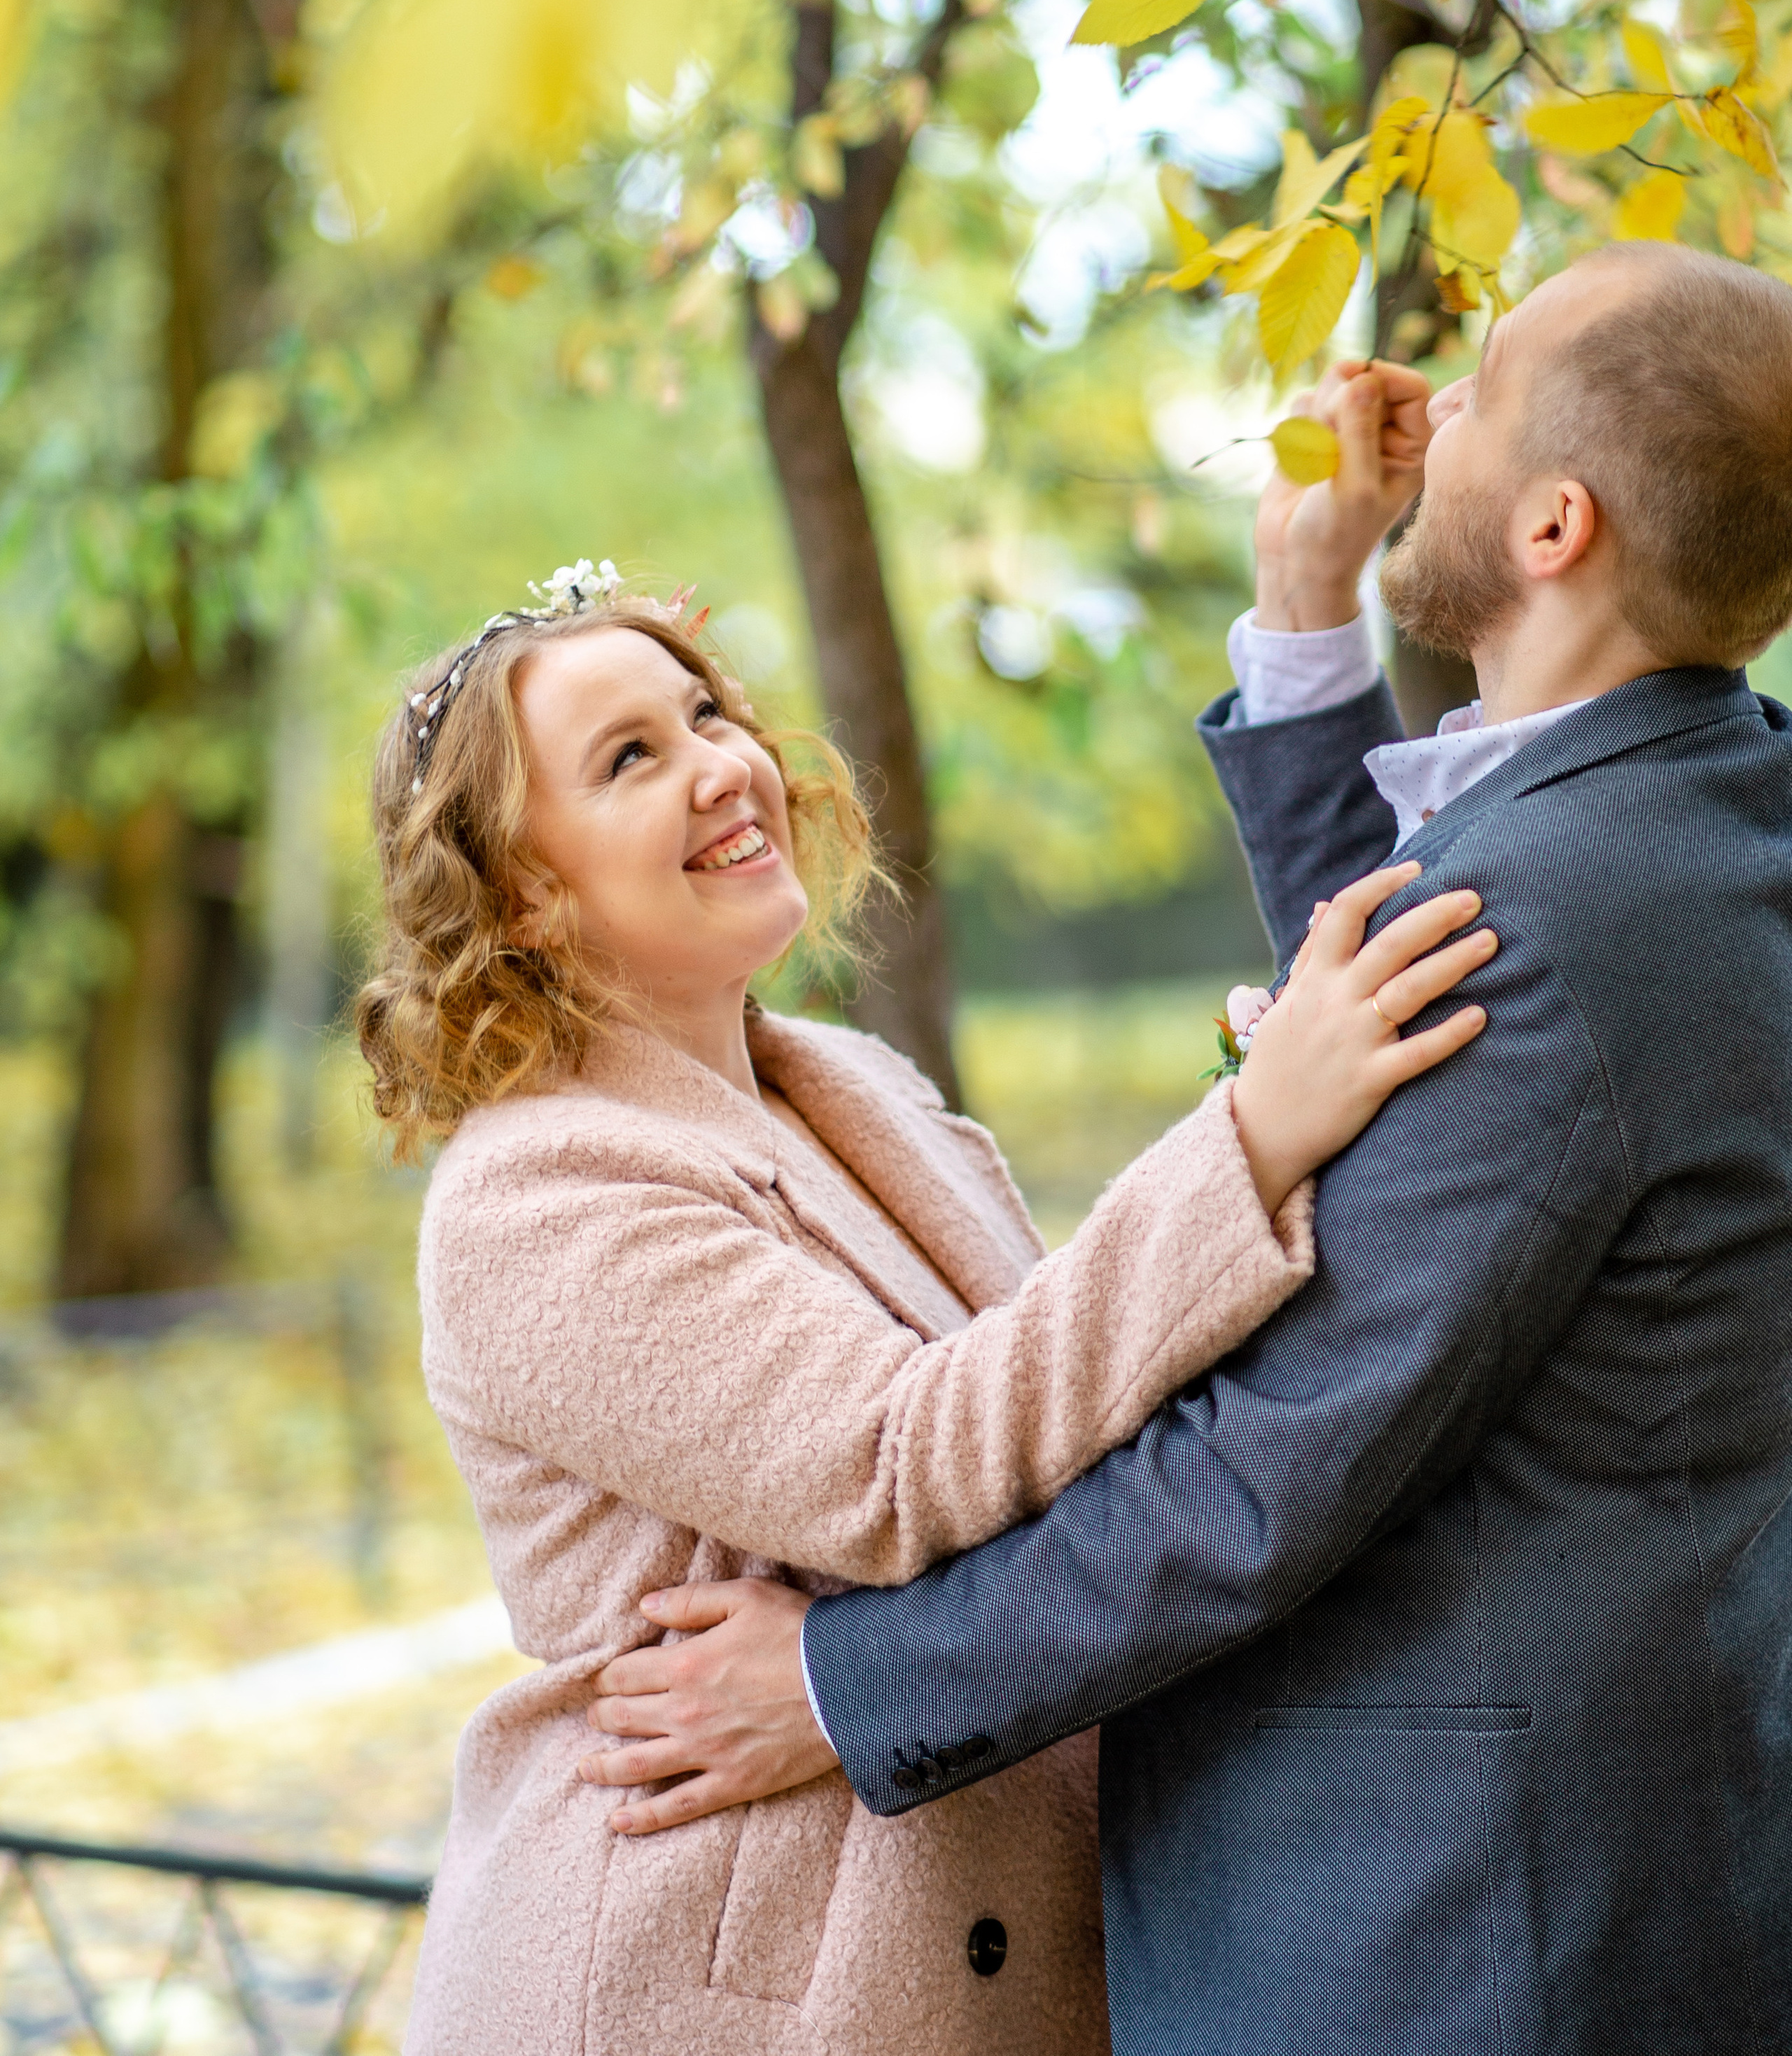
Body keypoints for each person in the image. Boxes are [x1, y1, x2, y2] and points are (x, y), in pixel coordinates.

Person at [584, 242, 1792, 2055]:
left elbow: (1257, 1476)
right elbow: (1419, 1050)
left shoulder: (1542, 931)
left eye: (1479, 397)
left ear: (1556, 527)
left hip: (1451, 1938)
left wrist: (847, 1688)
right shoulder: (1706, 823)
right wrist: (1311, 621)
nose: (1428, 415)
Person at [356, 561, 1490, 2056]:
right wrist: (1250, 1142)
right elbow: (900, 1465)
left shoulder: (849, 1091)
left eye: (705, 714)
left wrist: (1273, 1112)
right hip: (720, 1989)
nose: (718, 767)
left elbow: (1063, 1411)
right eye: (631, 758)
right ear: (521, 893)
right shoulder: (536, 1198)